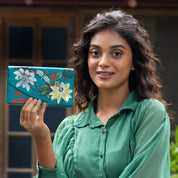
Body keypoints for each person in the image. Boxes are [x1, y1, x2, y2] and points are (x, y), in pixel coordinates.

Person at [20, 9, 170, 178]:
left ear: (134, 62)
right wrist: (42, 139)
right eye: (95, 53)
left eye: (116, 53)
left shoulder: (149, 114)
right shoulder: (69, 129)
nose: (103, 62)